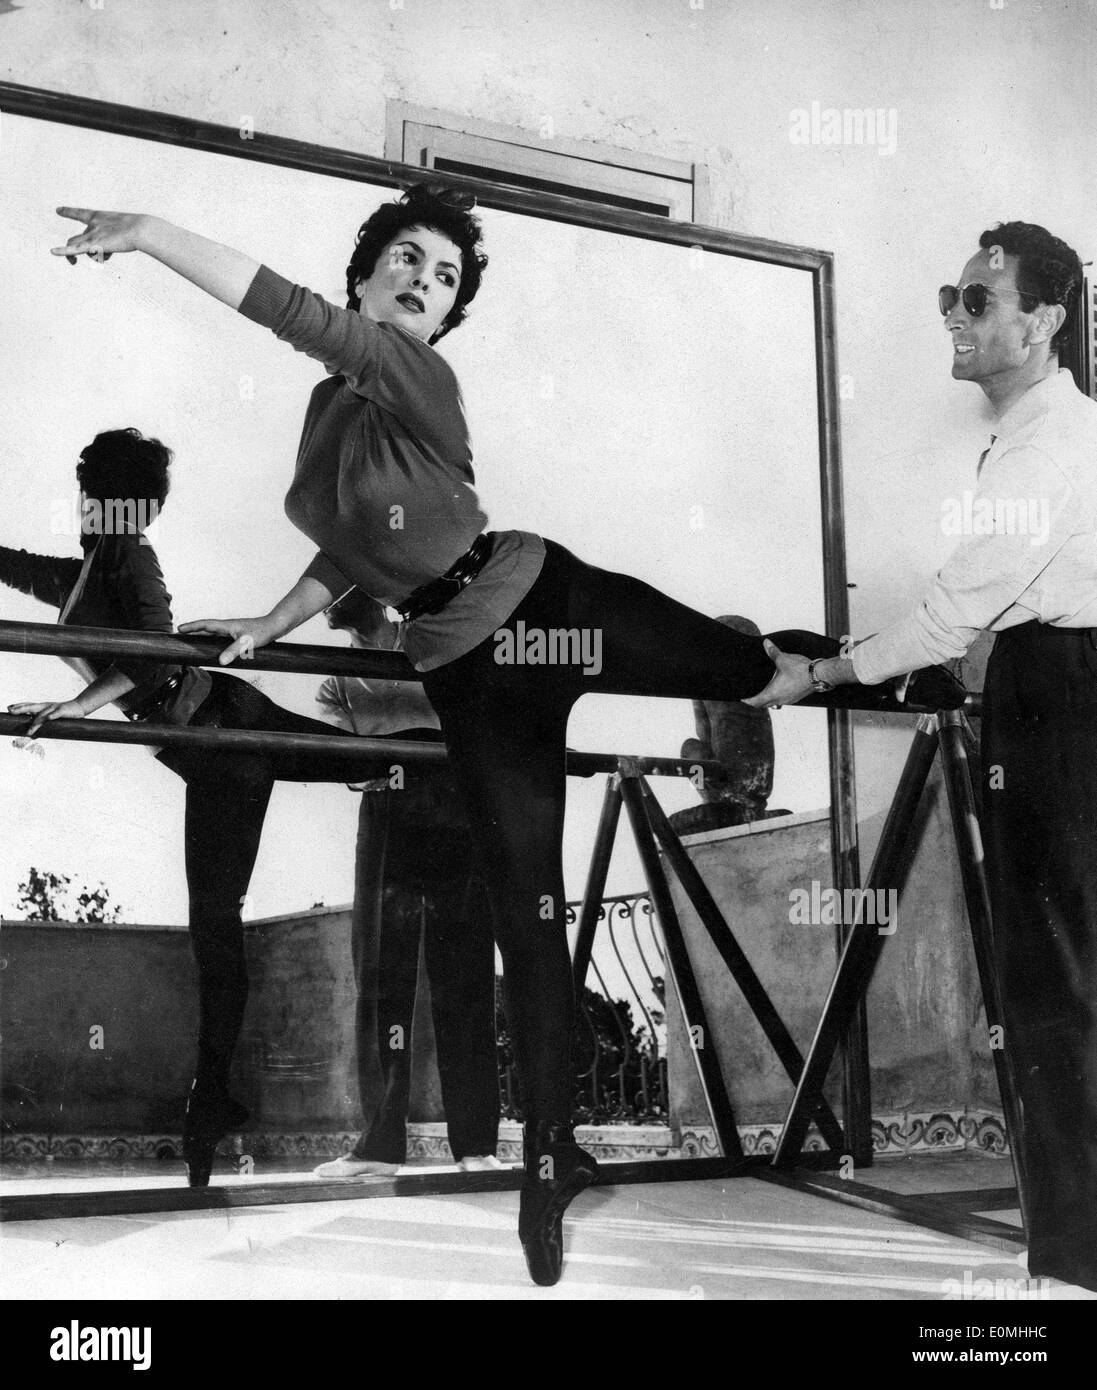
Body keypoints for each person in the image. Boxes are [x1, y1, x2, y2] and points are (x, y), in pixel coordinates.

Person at [49, 185, 952, 1284]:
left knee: (747, 669)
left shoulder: (407, 368)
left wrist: (149, 234)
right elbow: (350, 549)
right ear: (366, 267)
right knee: (529, 914)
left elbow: (283, 309)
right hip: (468, 677)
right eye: (407, 259)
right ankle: (550, 1161)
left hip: (542, 603)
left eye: (444, 276)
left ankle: (885, 674)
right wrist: (265, 623)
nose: (425, 282)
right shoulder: (335, 408)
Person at [750, 222, 1097, 1293]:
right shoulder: (1033, 435)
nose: (954, 315)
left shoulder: (1051, 441)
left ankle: (1076, 1267)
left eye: (978, 300)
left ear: (1042, 322)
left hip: (1062, 705)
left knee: (1059, 984)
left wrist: (826, 672)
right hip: (1046, 693)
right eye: (949, 295)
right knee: (1056, 980)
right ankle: (1071, 1256)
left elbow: (953, 612)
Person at [1, 428, 401, 1188]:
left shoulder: (130, 556)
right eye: (91, 498)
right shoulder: (90, 567)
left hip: (226, 734)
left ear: (124, 507)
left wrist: (75, 703)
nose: (92, 510)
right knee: (214, 924)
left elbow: (153, 646)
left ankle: (209, 1105)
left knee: (219, 919)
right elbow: (24, 571)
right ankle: (211, 1103)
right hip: (216, 747)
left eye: (104, 499)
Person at [311, 586, 502, 1177]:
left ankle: (476, 1147)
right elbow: (333, 755)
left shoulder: (427, 641)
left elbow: (480, 713)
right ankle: (378, 1148)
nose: (332, 598)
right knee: (380, 976)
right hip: (387, 803)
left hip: (454, 798)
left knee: (465, 972)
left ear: (375, 590)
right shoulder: (332, 677)